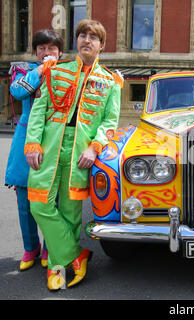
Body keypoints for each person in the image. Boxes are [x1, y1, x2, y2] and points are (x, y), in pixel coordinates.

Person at [24, 19, 122, 290]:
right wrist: (33, 143)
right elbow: (39, 110)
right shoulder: (56, 71)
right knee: (39, 205)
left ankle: (57, 267)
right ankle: (75, 254)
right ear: (76, 41)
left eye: (93, 37)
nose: (86, 40)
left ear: (102, 45)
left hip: (81, 151)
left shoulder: (110, 82)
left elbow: (109, 122)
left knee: (70, 212)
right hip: (50, 146)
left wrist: (95, 148)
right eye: (82, 35)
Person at [5, 30, 63, 271]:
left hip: (55, 139)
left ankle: (50, 246)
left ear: (60, 52)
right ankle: (31, 247)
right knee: (23, 198)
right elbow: (17, 91)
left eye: (51, 48)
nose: (46, 53)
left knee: (52, 197)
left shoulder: (67, 72)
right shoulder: (24, 71)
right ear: (35, 51)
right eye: (41, 48)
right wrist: (40, 70)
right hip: (25, 137)